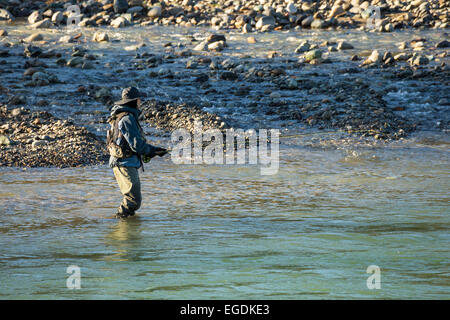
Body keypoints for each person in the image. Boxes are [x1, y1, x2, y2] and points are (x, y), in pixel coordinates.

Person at [107, 87, 168, 219]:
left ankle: (127, 226)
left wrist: (153, 151)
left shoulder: (125, 116)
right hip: (123, 163)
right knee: (133, 199)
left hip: (126, 162)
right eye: (139, 100)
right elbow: (137, 145)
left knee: (133, 200)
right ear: (134, 101)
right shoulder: (127, 118)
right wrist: (153, 150)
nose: (140, 102)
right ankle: (119, 223)